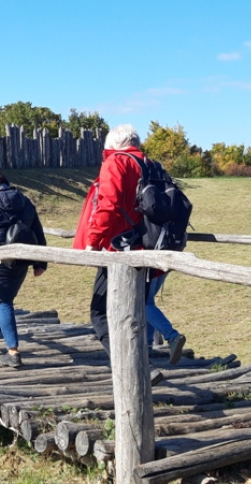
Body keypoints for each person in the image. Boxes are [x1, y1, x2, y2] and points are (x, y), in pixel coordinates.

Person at [75, 124, 186, 364]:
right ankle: (144, 366)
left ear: (113, 145)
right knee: (137, 309)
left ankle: (133, 367)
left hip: (120, 248)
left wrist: (92, 241)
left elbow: (108, 204)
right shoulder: (151, 164)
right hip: (149, 246)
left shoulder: (116, 162)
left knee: (100, 313)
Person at [0, 169, 47, 368]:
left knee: (3, 302)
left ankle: (13, 352)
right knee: (3, 299)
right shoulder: (26, 201)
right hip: (20, 260)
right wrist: (40, 262)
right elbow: (37, 231)